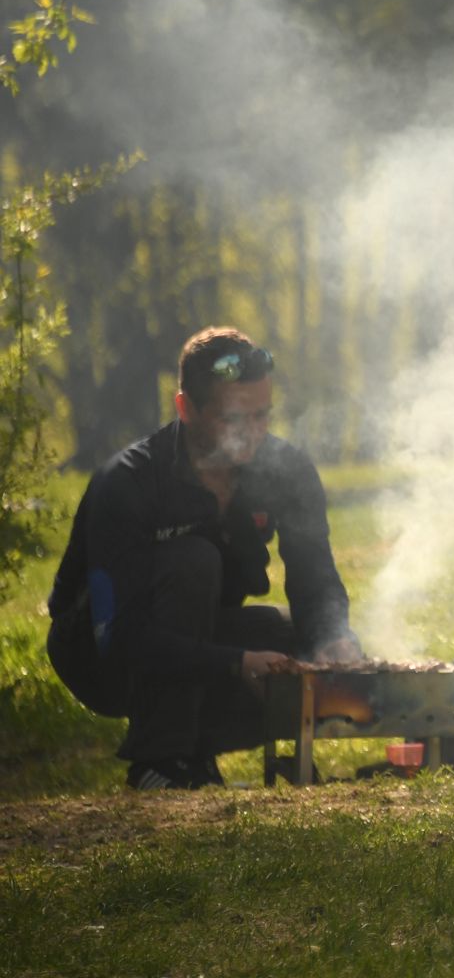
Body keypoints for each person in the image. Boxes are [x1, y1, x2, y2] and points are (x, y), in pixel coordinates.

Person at [44, 328, 360, 790]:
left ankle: (195, 754)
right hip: (101, 649)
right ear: (185, 409)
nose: (252, 433)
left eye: (262, 415)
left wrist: (332, 639)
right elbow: (123, 635)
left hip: (200, 629)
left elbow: (316, 578)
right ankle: (161, 761)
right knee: (193, 561)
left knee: (310, 647)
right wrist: (235, 662)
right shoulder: (127, 483)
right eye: (233, 419)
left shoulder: (286, 470)